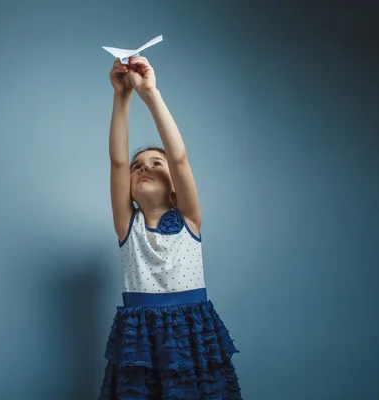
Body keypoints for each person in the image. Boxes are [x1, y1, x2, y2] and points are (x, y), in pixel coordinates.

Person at [98, 56, 243, 399]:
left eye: (155, 164)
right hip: (139, 335)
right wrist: (121, 97)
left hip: (192, 332)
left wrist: (150, 94)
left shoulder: (190, 220)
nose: (143, 168)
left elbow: (179, 157)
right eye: (138, 167)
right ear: (129, 186)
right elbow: (117, 160)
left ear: (175, 184)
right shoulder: (127, 226)